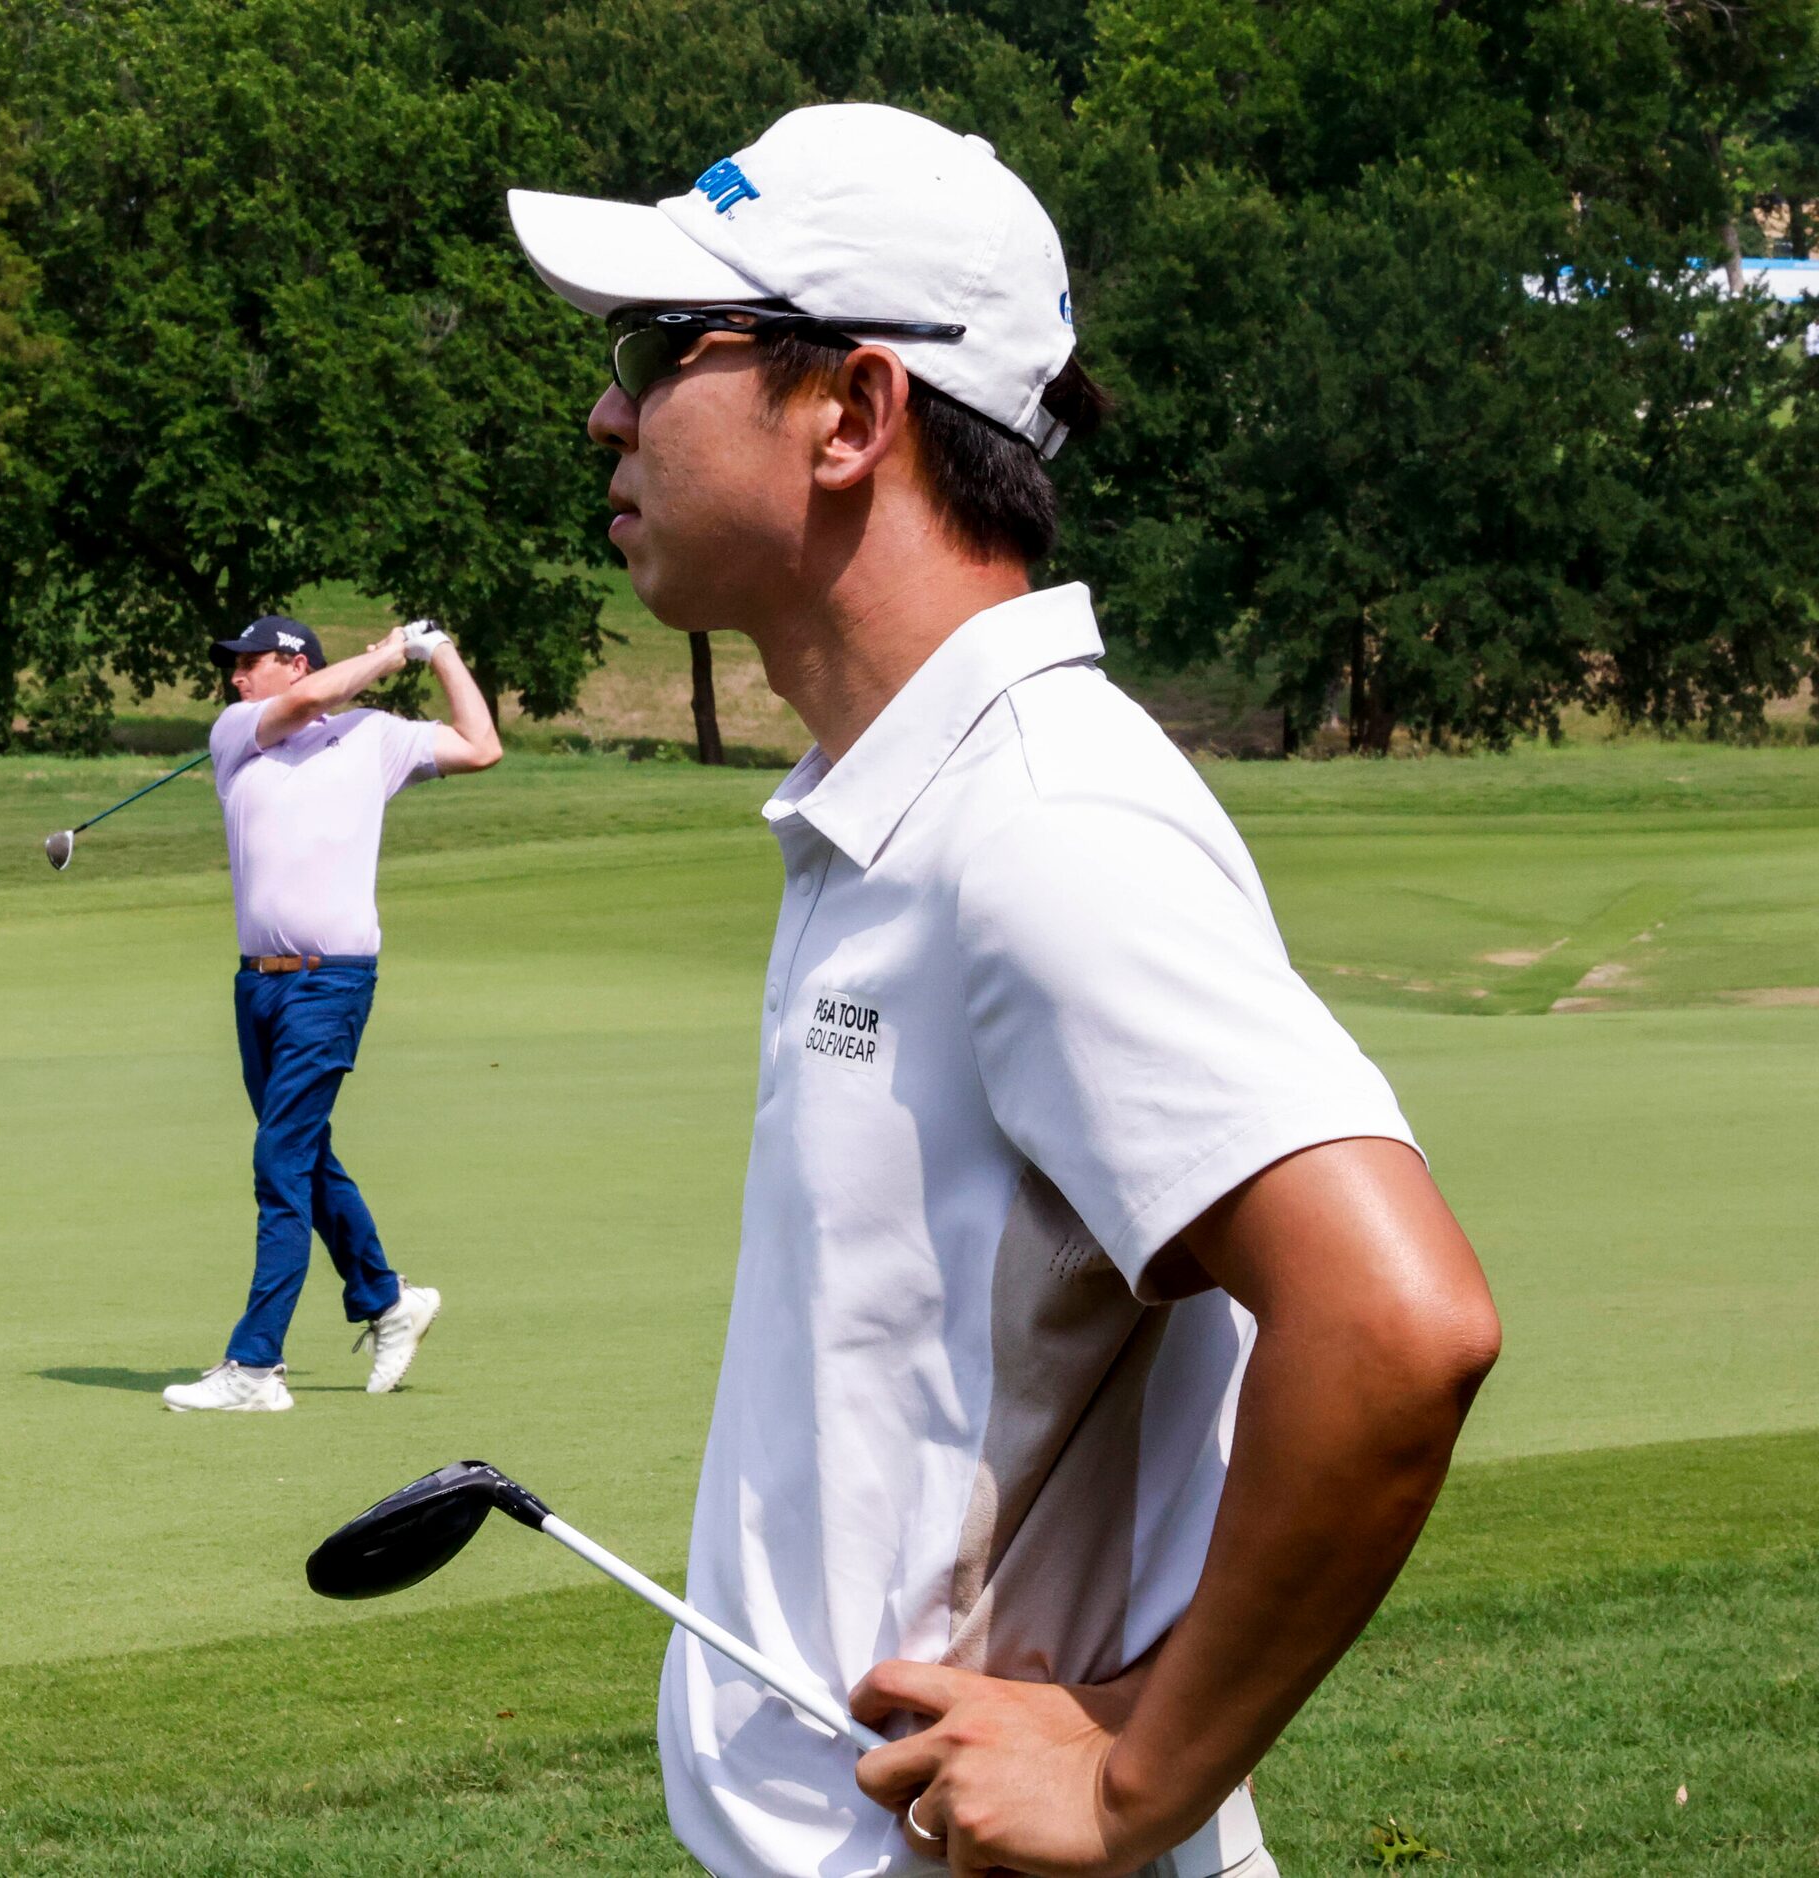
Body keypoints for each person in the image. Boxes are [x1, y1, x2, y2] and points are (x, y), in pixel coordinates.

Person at [507, 104, 1501, 1877]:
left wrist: (1128, 1774)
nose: (607, 407)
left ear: (853, 413)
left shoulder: (1043, 822)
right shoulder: (907, 794)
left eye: (662, 349)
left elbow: (1394, 1325)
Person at [160, 614, 504, 1413]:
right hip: (258, 989)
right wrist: (388, 653)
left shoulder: (373, 737)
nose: (235, 677)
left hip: (332, 985)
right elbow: (310, 696)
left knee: (279, 1162)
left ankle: (255, 1368)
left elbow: (481, 745)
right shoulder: (237, 731)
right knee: (304, 1158)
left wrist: (441, 650)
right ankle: (388, 1300)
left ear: (290, 659)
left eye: (248, 663)